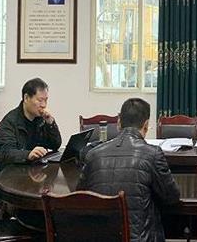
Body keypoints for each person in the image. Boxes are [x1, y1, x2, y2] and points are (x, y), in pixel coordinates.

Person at [77, 98, 180, 242]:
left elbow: (80, 197)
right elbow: (172, 197)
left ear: (119, 122)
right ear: (146, 125)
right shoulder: (153, 154)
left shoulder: (93, 154)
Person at [0, 77, 61, 164]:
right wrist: (27, 155)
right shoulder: (10, 122)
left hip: (35, 167)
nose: (44, 105)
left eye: (46, 100)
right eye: (40, 100)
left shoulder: (41, 119)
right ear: (26, 98)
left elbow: (55, 145)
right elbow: (6, 153)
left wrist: (50, 123)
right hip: (13, 170)